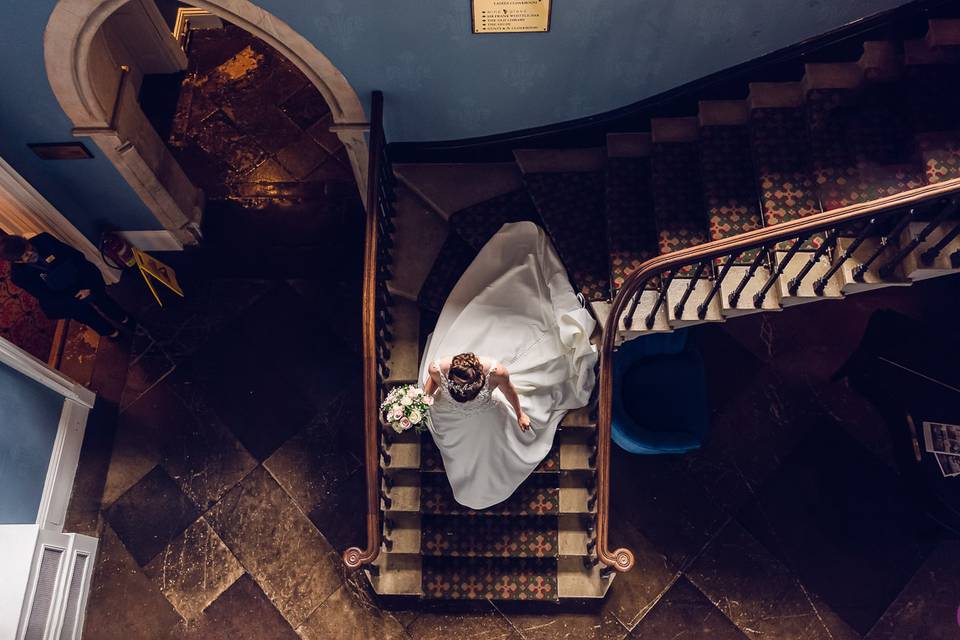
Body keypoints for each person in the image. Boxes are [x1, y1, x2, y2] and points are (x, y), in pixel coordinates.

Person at [419, 222, 598, 510]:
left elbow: (511, 390)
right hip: (451, 412)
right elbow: (431, 387)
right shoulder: (438, 368)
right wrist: (424, 401)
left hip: (491, 412)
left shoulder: (494, 370)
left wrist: (520, 414)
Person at [0, 233, 134, 339]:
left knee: (103, 299)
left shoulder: (44, 239)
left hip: (81, 277)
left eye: (29, 249)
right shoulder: (19, 277)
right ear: (17, 261)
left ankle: (124, 319)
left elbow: (76, 257)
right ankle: (112, 333)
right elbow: (45, 295)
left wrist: (86, 287)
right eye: (25, 256)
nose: (31, 254)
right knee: (87, 316)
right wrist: (74, 297)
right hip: (63, 298)